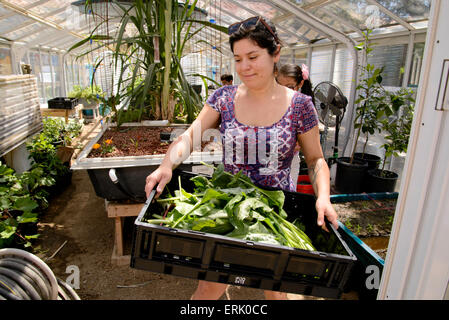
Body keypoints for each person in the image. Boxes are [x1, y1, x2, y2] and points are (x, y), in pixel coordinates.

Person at [144, 15, 338, 300]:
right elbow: (189, 137)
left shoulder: (300, 105)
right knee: (210, 285)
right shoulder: (223, 98)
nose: (244, 67)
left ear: (275, 54)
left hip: (274, 213)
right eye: (237, 59)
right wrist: (166, 165)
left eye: (252, 56)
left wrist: (323, 197)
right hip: (228, 207)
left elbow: (316, 160)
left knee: (274, 288)